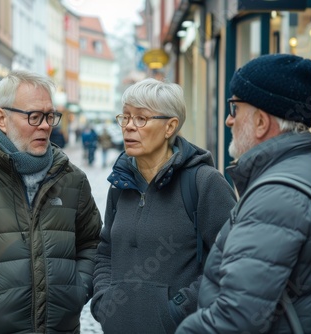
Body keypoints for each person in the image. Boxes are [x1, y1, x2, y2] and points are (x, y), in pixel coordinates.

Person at [176, 54, 311, 333]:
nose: (229, 120)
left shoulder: (277, 197)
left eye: (235, 108)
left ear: (261, 122)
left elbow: (235, 320)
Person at [0, 70, 103, 333]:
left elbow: (92, 242)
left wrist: (77, 286)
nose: (46, 125)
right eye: (34, 116)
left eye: (50, 116)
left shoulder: (73, 179)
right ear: (2, 119)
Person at [90, 78, 237, 333]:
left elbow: (230, 262)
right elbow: (106, 251)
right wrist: (104, 301)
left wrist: (177, 310)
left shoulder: (205, 183)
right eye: (124, 117)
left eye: (141, 118)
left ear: (170, 127)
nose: (128, 127)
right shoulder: (121, 186)